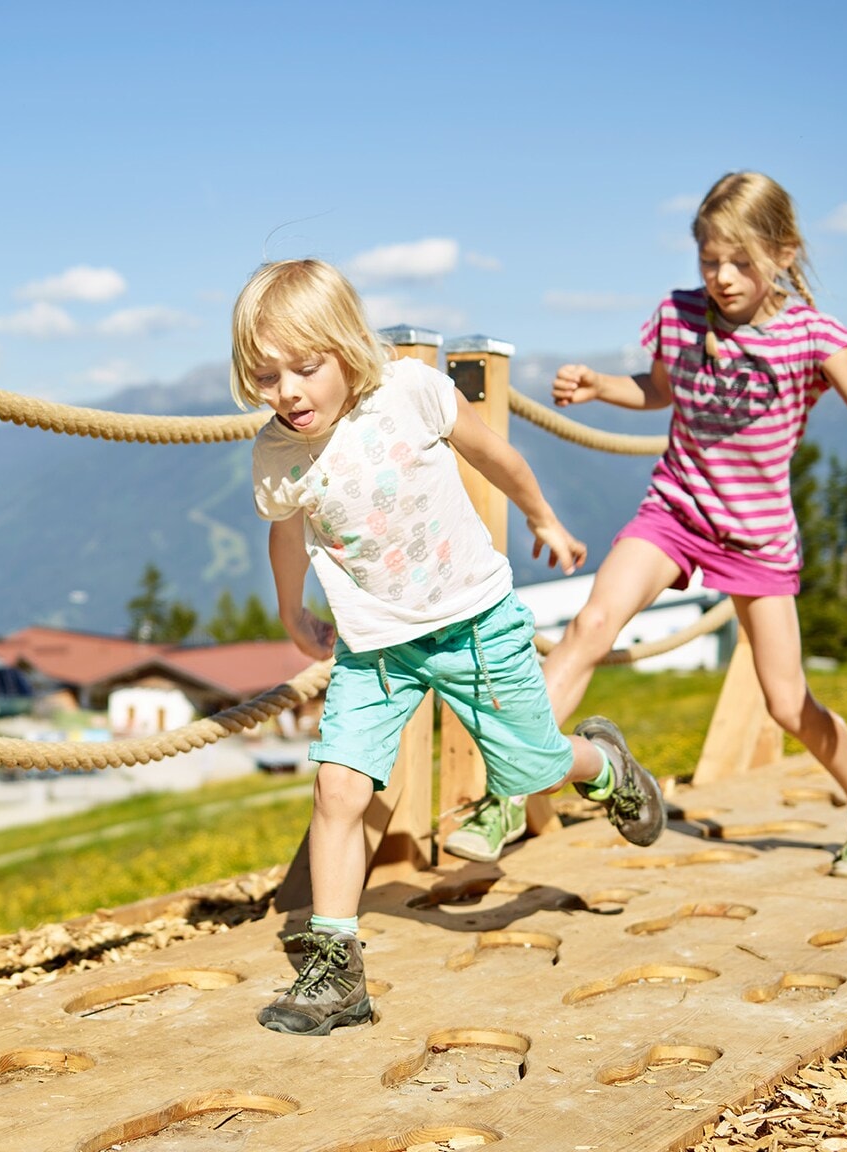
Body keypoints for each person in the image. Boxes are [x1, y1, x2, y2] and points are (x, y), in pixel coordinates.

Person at [236, 259, 665, 1037]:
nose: (288, 392)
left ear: (347, 347)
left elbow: (496, 456)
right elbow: (288, 535)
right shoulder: (279, 453)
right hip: (374, 648)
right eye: (266, 376)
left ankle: (604, 764)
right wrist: (293, 614)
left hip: (472, 622)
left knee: (532, 766)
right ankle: (337, 973)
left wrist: (542, 518)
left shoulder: (410, 390)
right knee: (338, 789)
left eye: (305, 368)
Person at [538, 171, 847, 883]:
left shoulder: (813, 337)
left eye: (740, 262)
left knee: (787, 703)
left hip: (757, 538)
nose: (722, 277)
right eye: (709, 260)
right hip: (675, 511)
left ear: (785, 253)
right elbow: (659, 390)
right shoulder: (680, 316)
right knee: (591, 625)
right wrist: (600, 389)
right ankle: (515, 779)